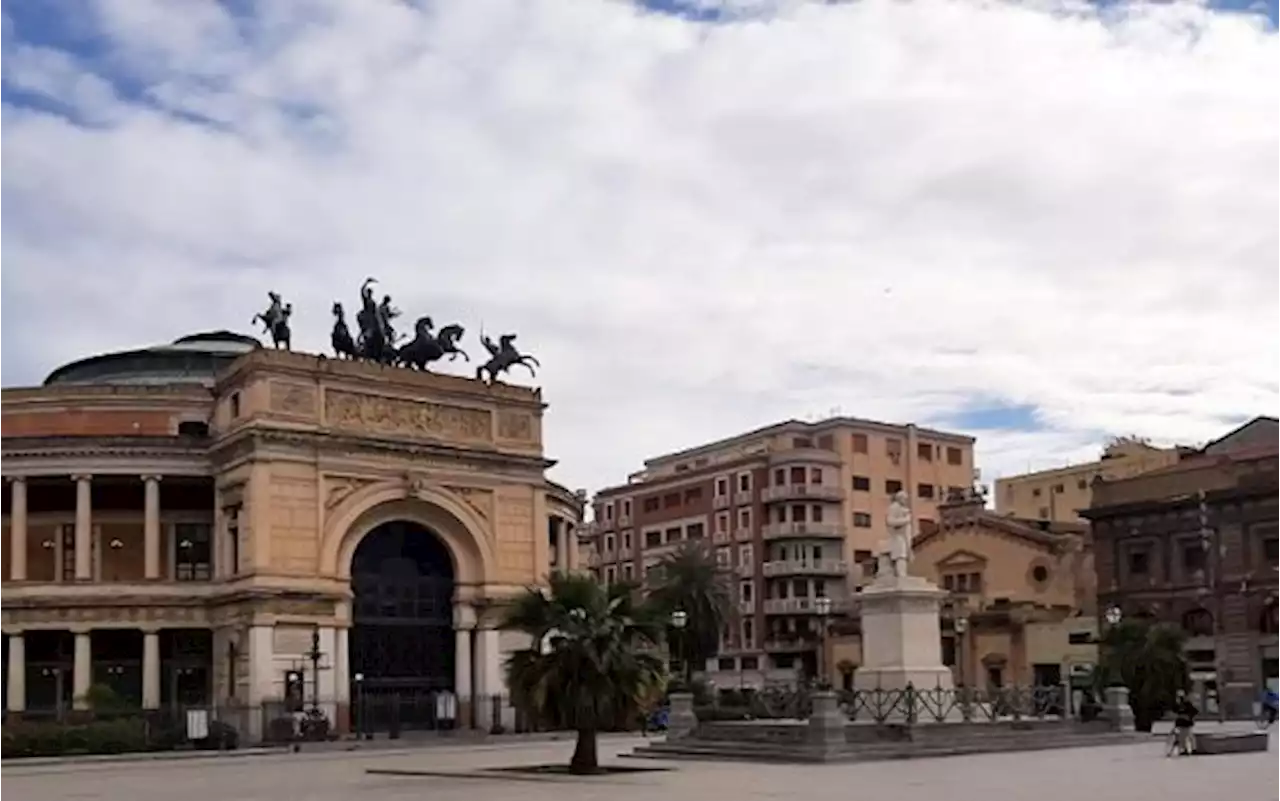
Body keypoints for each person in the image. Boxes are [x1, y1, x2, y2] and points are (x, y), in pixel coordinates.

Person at [1167, 690, 1198, 757]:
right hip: (1181, 724)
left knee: (1190, 736)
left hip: (1187, 724)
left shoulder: (1187, 704)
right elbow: (1174, 713)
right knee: (1182, 738)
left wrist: (1189, 716)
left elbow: (1194, 712)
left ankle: (1193, 749)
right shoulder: (1177, 705)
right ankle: (1184, 749)